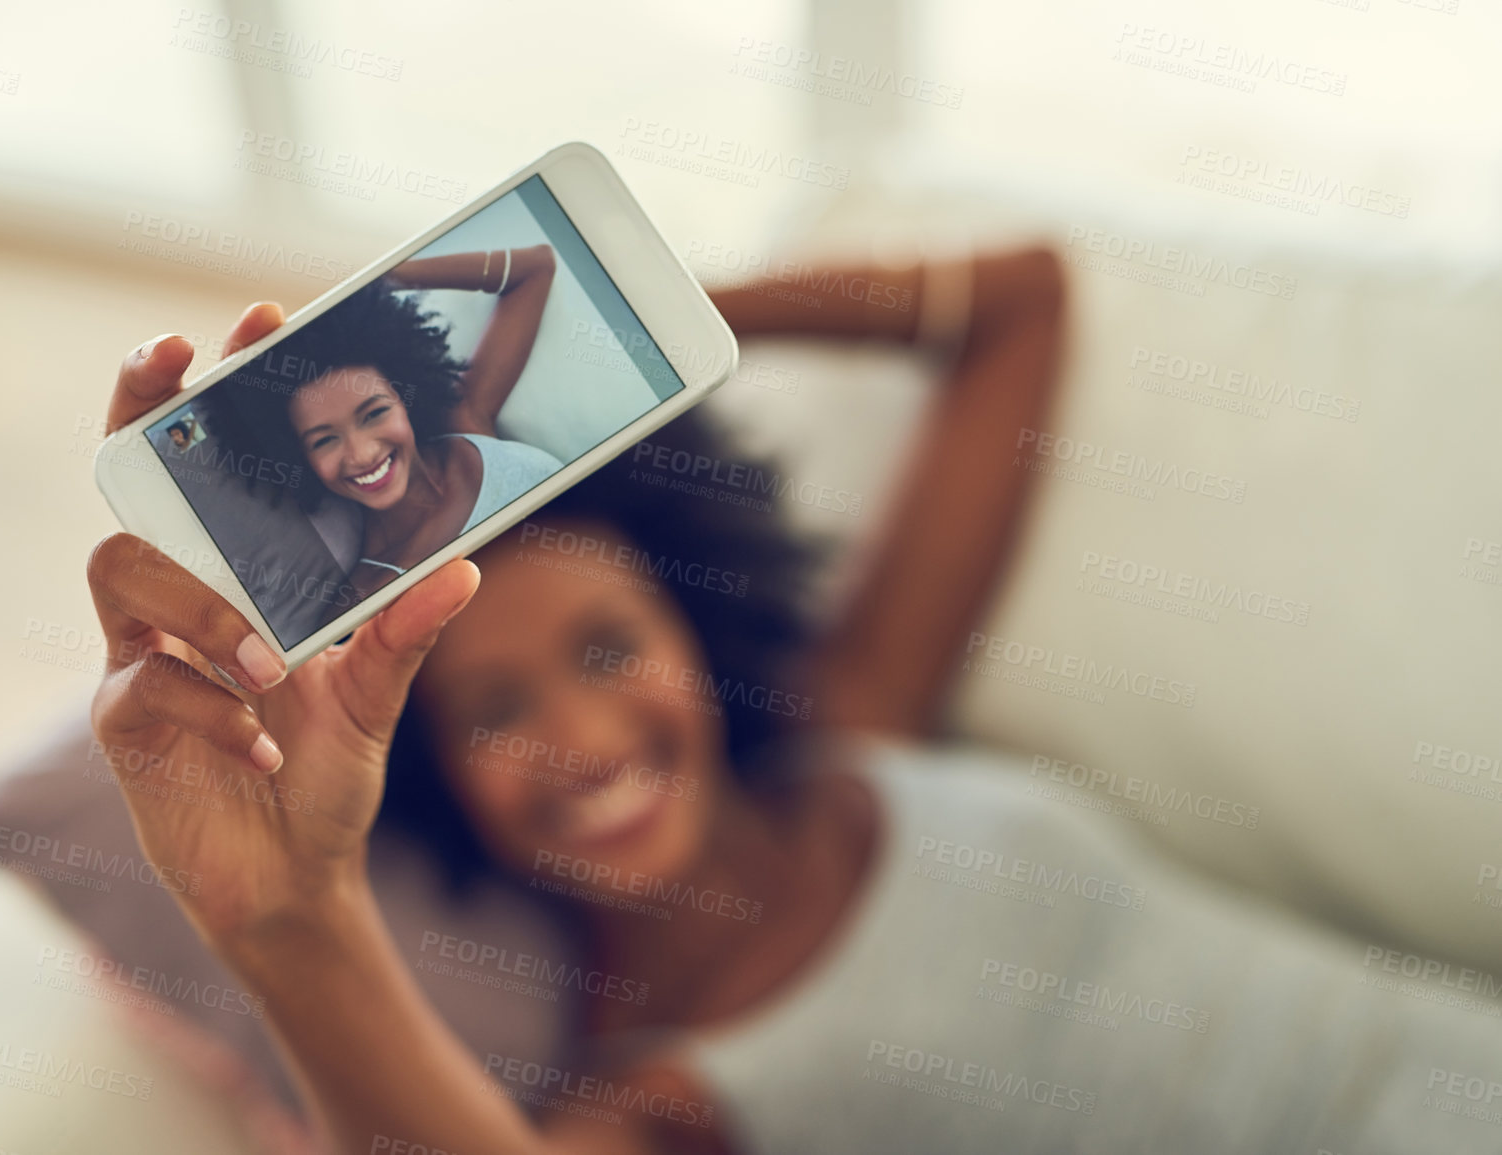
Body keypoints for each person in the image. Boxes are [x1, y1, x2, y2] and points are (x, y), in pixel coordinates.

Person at [86, 250, 1502, 1154]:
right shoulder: (659, 1085)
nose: (582, 743)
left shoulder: (855, 720)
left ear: (695, 636)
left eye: (603, 650)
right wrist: (281, 915)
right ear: (440, 770)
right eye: (494, 707)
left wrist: (646, 329)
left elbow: (1019, 303)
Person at [195, 246, 564, 598]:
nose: (362, 453)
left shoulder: (465, 416)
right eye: (324, 440)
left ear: (406, 397)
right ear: (296, 457)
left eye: (374, 414)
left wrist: (376, 282)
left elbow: (535, 267)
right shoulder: (367, 594)